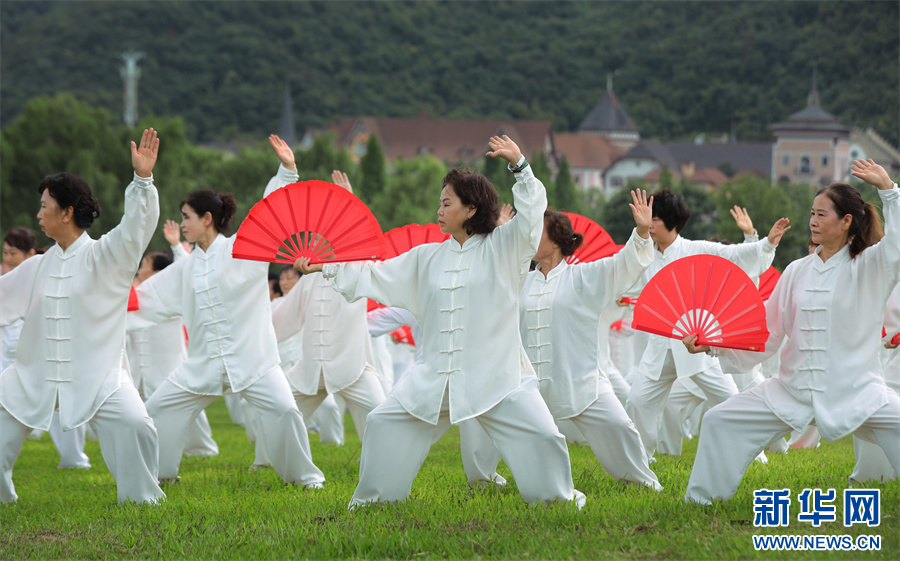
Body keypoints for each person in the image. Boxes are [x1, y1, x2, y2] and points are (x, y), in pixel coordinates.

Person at [295, 135, 585, 508]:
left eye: (447, 202)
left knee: (544, 437)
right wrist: (325, 265)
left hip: (500, 376)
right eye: (440, 202)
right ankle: (375, 503)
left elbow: (531, 215)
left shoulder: (504, 247)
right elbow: (374, 273)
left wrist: (520, 167)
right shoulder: (425, 257)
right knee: (384, 423)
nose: (439, 208)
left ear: (470, 209)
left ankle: (558, 501)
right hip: (435, 377)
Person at [682, 158, 900, 504]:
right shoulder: (797, 271)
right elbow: (765, 332)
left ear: (846, 222)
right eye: (812, 213)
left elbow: (897, 247)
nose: (812, 221)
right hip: (792, 391)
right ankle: (702, 501)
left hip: (857, 390)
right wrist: (713, 345)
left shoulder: (871, 265)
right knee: (719, 420)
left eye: (822, 215)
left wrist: (889, 190)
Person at [129, 134, 324, 488]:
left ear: (208, 219)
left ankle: (305, 479)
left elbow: (272, 213)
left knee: (284, 411)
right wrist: (104, 300)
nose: (181, 225)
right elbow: (146, 300)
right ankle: (160, 474)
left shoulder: (244, 249)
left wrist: (287, 171)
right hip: (201, 365)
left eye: (186, 218)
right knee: (158, 410)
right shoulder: (184, 268)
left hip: (255, 360)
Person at [0, 129, 165, 504]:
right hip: (32, 377)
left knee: (136, 424)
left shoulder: (108, 256)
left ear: (68, 212)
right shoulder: (34, 268)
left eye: (44, 206)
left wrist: (142, 181)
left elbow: (136, 229)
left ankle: (141, 499)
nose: (38, 214)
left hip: (99, 377)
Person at [622, 191, 789, 459]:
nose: (649, 226)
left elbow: (734, 255)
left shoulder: (696, 249)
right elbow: (626, 274)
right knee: (637, 401)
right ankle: (638, 462)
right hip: (660, 348)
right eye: (645, 220)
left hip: (696, 346)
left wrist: (765, 244)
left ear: (673, 222)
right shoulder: (643, 254)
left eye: (654, 220)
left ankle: (755, 457)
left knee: (729, 401)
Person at [519, 199, 662, 491]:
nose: (531, 238)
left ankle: (644, 483)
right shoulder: (519, 280)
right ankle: (482, 480)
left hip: (581, 380)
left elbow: (622, 265)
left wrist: (641, 233)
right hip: (526, 383)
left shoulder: (583, 277)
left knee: (619, 427)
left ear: (557, 241)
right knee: (481, 420)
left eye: (538, 232)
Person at [127, 247, 218, 458]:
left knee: (188, 411)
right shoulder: (136, 292)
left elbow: (187, 273)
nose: (140, 271)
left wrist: (178, 248)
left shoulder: (173, 295)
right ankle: (142, 450)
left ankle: (202, 449)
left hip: (169, 364)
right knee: (135, 410)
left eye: (144, 266)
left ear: (158, 273)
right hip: (140, 366)